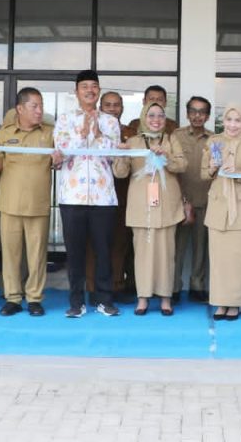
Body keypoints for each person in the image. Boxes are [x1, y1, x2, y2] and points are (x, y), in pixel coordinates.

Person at [0, 87, 57, 317]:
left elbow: (58, 162)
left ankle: (34, 298)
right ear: (20, 108)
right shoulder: (4, 133)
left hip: (38, 204)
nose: (39, 111)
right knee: (10, 255)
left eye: (41, 106)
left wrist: (59, 160)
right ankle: (13, 298)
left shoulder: (50, 134)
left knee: (37, 256)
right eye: (34, 106)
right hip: (9, 203)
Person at [54, 70, 122, 318]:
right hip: (72, 196)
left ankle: (104, 300)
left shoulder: (110, 121)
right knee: (75, 252)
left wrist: (99, 134)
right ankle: (76, 302)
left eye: (94, 86)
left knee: (103, 251)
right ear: (76, 92)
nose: (90, 90)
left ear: (99, 90)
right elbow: (62, 150)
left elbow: (113, 153)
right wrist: (82, 133)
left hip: (104, 196)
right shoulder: (64, 120)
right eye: (85, 86)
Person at [113, 101, 186, 316]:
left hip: (167, 204)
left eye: (160, 116)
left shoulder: (171, 140)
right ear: (143, 117)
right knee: (142, 253)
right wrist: (121, 155)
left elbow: (183, 165)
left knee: (166, 252)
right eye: (151, 115)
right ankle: (142, 298)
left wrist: (166, 157)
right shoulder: (133, 142)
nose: (156, 120)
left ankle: (165, 298)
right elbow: (120, 173)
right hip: (141, 205)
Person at [202, 102, 241, 321]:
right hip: (218, 206)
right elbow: (203, 174)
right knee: (219, 259)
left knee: (239, 259)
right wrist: (213, 168)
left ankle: (236, 304)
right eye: (229, 119)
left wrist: (237, 173)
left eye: (238, 120)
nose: (232, 124)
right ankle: (220, 302)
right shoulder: (213, 141)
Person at [87, 90, 135, 305]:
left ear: (122, 108)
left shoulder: (130, 133)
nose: (113, 109)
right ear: (101, 108)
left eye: (117, 105)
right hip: (95, 195)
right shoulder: (90, 131)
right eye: (108, 105)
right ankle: (92, 288)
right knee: (93, 244)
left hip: (121, 195)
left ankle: (116, 286)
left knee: (119, 243)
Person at [171, 96, 213, 302]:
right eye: (193, 111)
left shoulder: (214, 139)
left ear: (208, 116)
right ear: (187, 114)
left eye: (202, 112)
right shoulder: (176, 136)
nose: (197, 116)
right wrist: (181, 199)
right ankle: (173, 288)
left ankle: (197, 286)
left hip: (206, 200)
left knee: (201, 247)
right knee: (176, 248)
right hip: (180, 200)